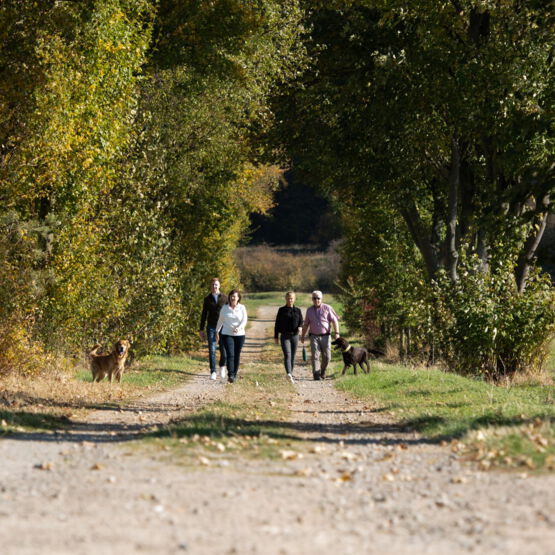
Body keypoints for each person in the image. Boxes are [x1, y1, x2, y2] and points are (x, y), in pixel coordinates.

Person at [301, 290, 340, 380]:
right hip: (314, 336)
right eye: (314, 298)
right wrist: (303, 335)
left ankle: (322, 371)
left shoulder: (327, 308)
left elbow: (335, 321)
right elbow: (306, 324)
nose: (316, 300)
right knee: (315, 356)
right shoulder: (309, 310)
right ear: (312, 299)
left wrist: (337, 333)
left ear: (321, 299)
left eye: (318, 298)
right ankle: (316, 374)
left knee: (327, 357)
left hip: (326, 336)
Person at [216, 289, 247, 383]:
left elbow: (244, 320)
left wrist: (239, 328)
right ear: (229, 297)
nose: (233, 298)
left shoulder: (242, 308)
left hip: (239, 334)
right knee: (230, 354)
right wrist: (216, 331)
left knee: (237, 355)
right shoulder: (225, 308)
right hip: (226, 334)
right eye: (232, 296)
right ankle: (231, 374)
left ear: (238, 298)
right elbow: (220, 320)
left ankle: (234, 374)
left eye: (235, 296)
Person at [199, 278, 227, 380]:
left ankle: (222, 366)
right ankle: (213, 371)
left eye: (216, 285)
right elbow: (204, 314)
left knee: (224, 349)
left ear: (219, 286)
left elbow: (229, 313)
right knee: (212, 349)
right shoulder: (207, 299)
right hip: (211, 326)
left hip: (224, 327)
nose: (214, 287)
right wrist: (201, 329)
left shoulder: (225, 298)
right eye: (212, 285)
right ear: (210, 286)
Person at [274, 291, 304, 383]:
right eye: (288, 298)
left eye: (292, 298)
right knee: (287, 354)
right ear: (285, 299)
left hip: (295, 336)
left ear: (294, 299)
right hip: (284, 336)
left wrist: (300, 327)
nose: (290, 300)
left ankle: (291, 373)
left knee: (293, 356)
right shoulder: (281, 310)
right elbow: (277, 323)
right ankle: (289, 373)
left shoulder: (298, 310)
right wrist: (276, 336)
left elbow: (301, 321)